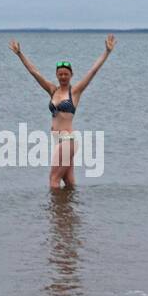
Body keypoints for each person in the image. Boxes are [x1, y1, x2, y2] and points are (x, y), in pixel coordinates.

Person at [9, 34, 116, 188]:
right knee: (69, 181)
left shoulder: (75, 92)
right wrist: (20, 54)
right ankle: (70, 211)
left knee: (53, 179)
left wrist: (107, 52)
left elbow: (92, 71)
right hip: (58, 140)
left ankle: (54, 212)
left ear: (71, 75)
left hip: (67, 140)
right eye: (60, 74)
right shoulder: (52, 90)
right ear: (56, 75)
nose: (63, 77)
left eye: (66, 74)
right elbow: (35, 73)